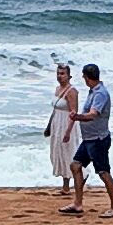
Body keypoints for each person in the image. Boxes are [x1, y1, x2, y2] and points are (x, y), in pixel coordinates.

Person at [65, 62, 113, 217]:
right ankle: (78, 203)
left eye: (83, 76)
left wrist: (78, 117)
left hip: (98, 140)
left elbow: (93, 114)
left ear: (87, 77)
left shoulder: (100, 93)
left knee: (103, 172)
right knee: (75, 165)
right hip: (89, 139)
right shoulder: (93, 91)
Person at [43, 62, 81, 207]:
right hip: (56, 123)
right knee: (58, 153)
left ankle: (80, 178)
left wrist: (68, 131)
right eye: (58, 73)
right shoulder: (57, 89)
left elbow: (74, 113)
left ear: (69, 75)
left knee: (69, 152)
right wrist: (49, 126)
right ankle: (65, 186)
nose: (60, 76)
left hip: (66, 124)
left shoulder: (72, 91)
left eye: (62, 73)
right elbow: (55, 109)